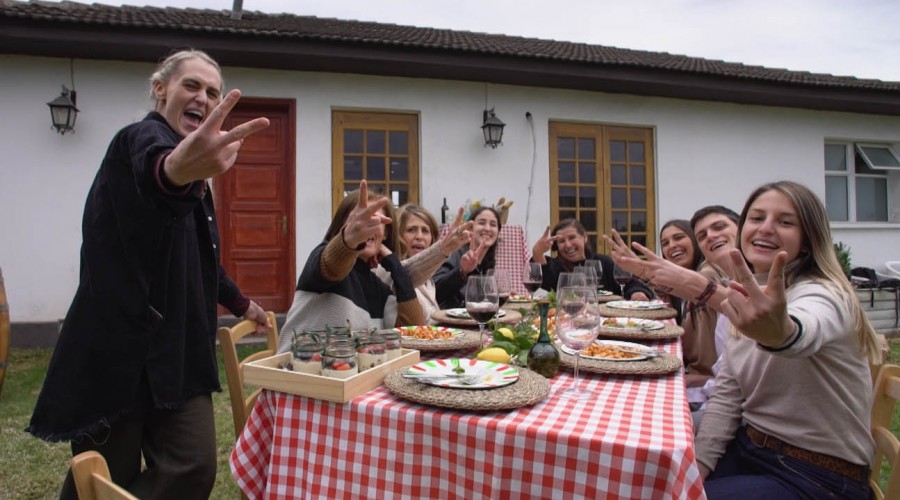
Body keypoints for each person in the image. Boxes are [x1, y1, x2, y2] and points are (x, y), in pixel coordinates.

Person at [26, 49, 271, 499]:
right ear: (161, 89)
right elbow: (156, 169)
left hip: (177, 354)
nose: (203, 97)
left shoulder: (197, 178)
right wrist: (177, 171)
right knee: (106, 477)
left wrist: (244, 304)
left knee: (193, 465)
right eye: (191, 86)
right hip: (118, 352)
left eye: (212, 91)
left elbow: (203, 263)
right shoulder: (138, 140)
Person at [606, 181, 879, 499]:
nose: (766, 228)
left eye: (785, 221)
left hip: (816, 475)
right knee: (646, 479)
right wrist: (699, 469)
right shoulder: (744, 300)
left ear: (808, 240)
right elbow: (726, 399)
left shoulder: (822, 292)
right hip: (748, 449)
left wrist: (778, 333)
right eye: (757, 217)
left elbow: (801, 331)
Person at [278, 181, 427, 351]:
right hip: (296, 372)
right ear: (343, 227)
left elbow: (414, 333)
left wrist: (395, 266)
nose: (366, 226)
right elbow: (333, 263)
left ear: (386, 233)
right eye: (360, 219)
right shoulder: (322, 259)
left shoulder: (378, 287)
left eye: (376, 220)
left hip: (347, 374)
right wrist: (350, 239)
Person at [678, 207, 740, 428]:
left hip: (750, 430)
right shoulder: (732, 287)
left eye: (719, 227)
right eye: (702, 235)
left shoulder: (711, 277)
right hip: (715, 401)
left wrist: (682, 282)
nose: (711, 236)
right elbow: (724, 380)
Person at [530, 219, 652, 299]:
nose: (567, 245)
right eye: (561, 241)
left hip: (609, 323)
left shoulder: (603, 262)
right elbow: (544, 278)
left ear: (584, 237)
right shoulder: (556, 266)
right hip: (568, 323)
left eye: (572, 237)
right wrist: (538, 253)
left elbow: (631, 284)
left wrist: (637, 293)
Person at [392, 204, 472, 323]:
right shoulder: (390, 272)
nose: (419, 236)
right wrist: (444, 248)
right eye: (411, 230)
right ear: (397, 236)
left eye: (425, 231)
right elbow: (403, 274)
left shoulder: (428, 281)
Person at [433, 205, 504, 309]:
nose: (487, 228)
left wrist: (499, 292)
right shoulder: (454, 252)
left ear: (498, 232)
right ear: (470, 228)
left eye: (493, 225)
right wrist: (462, 271)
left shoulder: (487, 260)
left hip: (472, 320)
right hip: (449, 321)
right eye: (482, 223)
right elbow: (435, 292)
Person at [658, 219, 702, 323]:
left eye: (678, 238)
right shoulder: (672, 284)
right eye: (665, 243)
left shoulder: (710, 273)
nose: (672, 245)